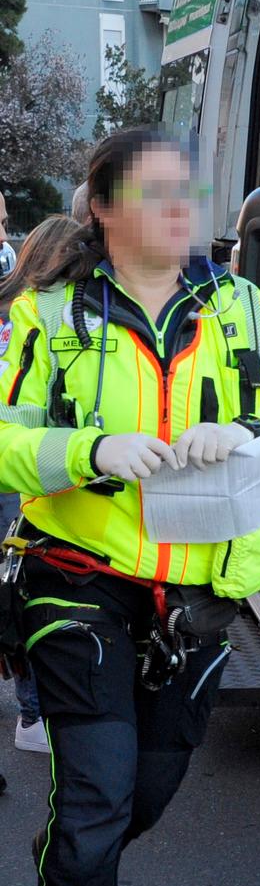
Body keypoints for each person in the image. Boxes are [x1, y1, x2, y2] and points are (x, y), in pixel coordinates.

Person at [0, 128, 260, 886]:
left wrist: (250, 433)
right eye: (156, 191)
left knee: (132, 806)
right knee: (97, 802)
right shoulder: (51, 317)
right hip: (79, 585)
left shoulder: (244, 310)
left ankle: (72, 862)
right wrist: (89, 450)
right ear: (107, 210)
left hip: (196, 607)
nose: (181, 205)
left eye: (186, 188)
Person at [0, 215, 85, 755]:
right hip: (27, 481)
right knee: (26, 596)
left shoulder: (16, 306)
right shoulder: (43, 318)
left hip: (21, 472)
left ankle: (32, 712)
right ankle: (34, 714)